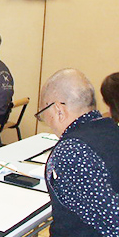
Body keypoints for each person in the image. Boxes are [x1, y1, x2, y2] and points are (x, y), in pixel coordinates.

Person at [38, 68, 119, 236]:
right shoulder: (110, 128)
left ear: (59, 110)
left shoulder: (72, 151)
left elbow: (113, 221)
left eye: (44, 115)